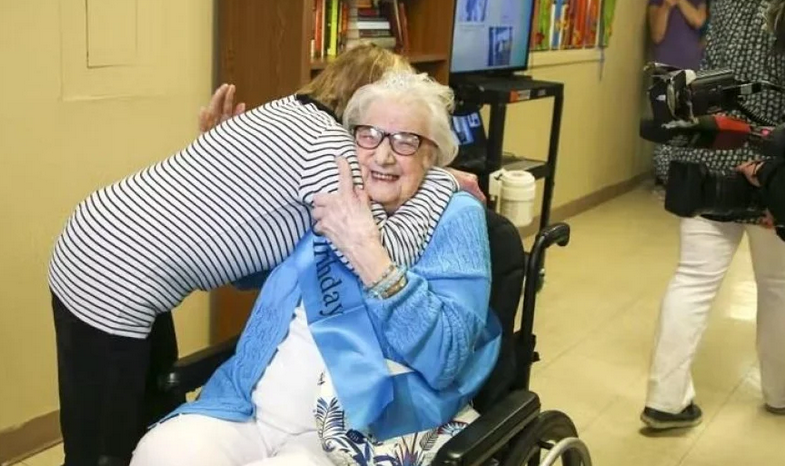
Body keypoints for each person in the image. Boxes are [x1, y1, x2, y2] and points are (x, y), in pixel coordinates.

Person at [49, 44, 483, 466]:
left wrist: (435, 182)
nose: (383, 154)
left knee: (130, 419)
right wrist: (441, 179)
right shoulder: (332, 157)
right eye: (370, 134)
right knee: (108, 441)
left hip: (96, 238)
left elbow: (369, 254)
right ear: (356, 119)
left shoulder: (282, 116)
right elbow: (323, 257)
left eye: (407, 140)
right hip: (118, 275)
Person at [643, 0, 785, 430]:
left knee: (693, 278)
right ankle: (780, 393)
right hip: (770, 163)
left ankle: (665, 401)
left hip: (710, 147)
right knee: (778, 287)